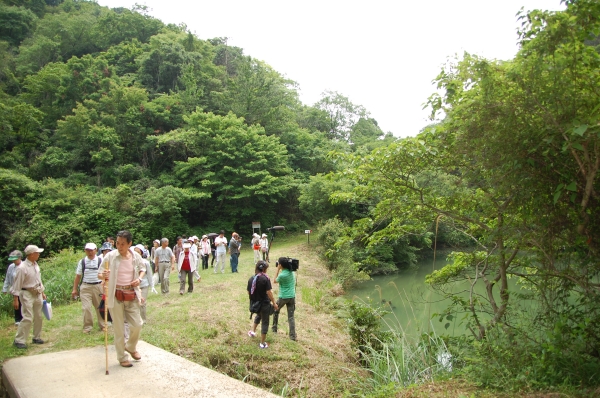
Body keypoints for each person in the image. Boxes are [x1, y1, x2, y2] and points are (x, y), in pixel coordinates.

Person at [98, 230, 145, 368]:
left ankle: (130, 346)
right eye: (118, 243)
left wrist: (139, 279)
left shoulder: (135, 256)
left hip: (131, 293)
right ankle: (122, 357)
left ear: (129, 244)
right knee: (119, 328)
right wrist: (104, 275)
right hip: (115, 294)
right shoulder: (110, 256)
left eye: (123, 244)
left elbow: (142, 268)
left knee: (137, 324)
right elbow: (99, 274)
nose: (119, 246)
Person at [11, 245, 46, 349]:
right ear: (31, 254)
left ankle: (36, 337)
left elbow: (38, 279)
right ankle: (19, 340)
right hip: (26, 293)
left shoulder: (35, 264)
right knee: (28, 317)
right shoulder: (22, 268)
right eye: (37, 253)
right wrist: (15, 299)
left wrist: (42, 291)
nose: (38, 254)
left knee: (38, 316)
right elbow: (17, 284)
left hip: (37, 292)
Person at [71, 243, 105, 334]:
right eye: (87, 250)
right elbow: (78, 276)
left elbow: (105, 273)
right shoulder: (82, 262)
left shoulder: (100, 260)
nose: (89, 252)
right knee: (86, 308)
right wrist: (74, 289)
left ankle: (103, 325)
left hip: (98, 286)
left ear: (96, 250)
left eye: (91, 250)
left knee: (99, 307)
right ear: (85, 251)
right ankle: (87, 327)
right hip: (86, 286)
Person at [247, 260, 278, 349]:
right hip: (264, 304)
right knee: (265, 322)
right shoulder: (265, 279)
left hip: (256, 304)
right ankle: (262, 343)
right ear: (263, 269)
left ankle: (252, 331)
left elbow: (249, 292)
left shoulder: (251, 279)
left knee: (258, 316)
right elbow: (269, 292)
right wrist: (274, 303)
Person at [272, 258, 297, 341]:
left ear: (281, 265)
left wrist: (277, 270)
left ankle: (274, 329)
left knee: (275, 310)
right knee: (291, 317)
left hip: (283, 297)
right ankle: (292, 336)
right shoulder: (292, 272)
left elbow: (274, 281)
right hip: (292, 297)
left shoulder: (282, 275)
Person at [133, 244, 153, 323]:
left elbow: (149, 274)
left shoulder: (145, 262)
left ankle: (143, 319)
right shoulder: (130, 262)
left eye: (138, 252)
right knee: (134, 303)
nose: (136, 253)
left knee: (142, 302)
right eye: (135, 251)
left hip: (144, 285)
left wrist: (152, 285)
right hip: (134, 286)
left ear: (141, 253)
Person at [2, 250, 23, 326]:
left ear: (20, 258)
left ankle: (24, 319)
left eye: (15, 259)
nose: (14, 261)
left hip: (23, 289)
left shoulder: (24, 266)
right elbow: (7, 278)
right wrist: (5, 288)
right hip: (14, 288)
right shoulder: (11, 267)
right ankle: (17, 320)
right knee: (16, 304)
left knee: (23, 304)